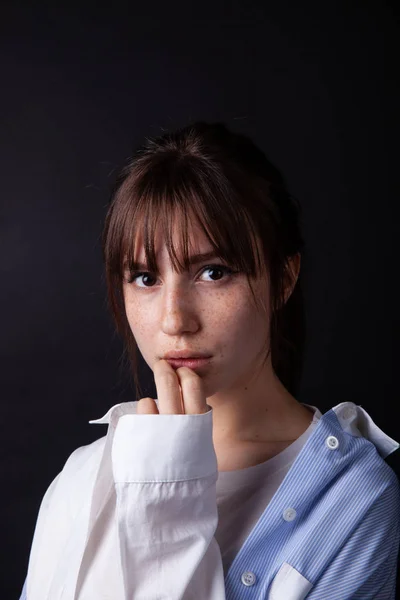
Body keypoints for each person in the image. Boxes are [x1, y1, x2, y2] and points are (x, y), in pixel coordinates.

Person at [20, 121, 399, 599]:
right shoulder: (81, 479)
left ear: (283, 278)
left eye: (213, 272)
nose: (175, 319)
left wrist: (170, 497)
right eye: (144, 277)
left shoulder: (353, 500)